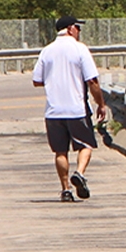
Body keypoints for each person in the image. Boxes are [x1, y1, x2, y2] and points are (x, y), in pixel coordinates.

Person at [32, 15, 106, 203]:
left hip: (54, 111)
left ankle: (65, 189)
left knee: (60, 151)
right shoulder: (80, 49)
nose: (79, 32)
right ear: (71, 29)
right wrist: (101, 104)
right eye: (78, 29)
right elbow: (92, 81)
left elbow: (37, 80)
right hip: (77, 109)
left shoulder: (46, 51)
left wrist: (54, 80)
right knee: (86, 145)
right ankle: (80, 173)